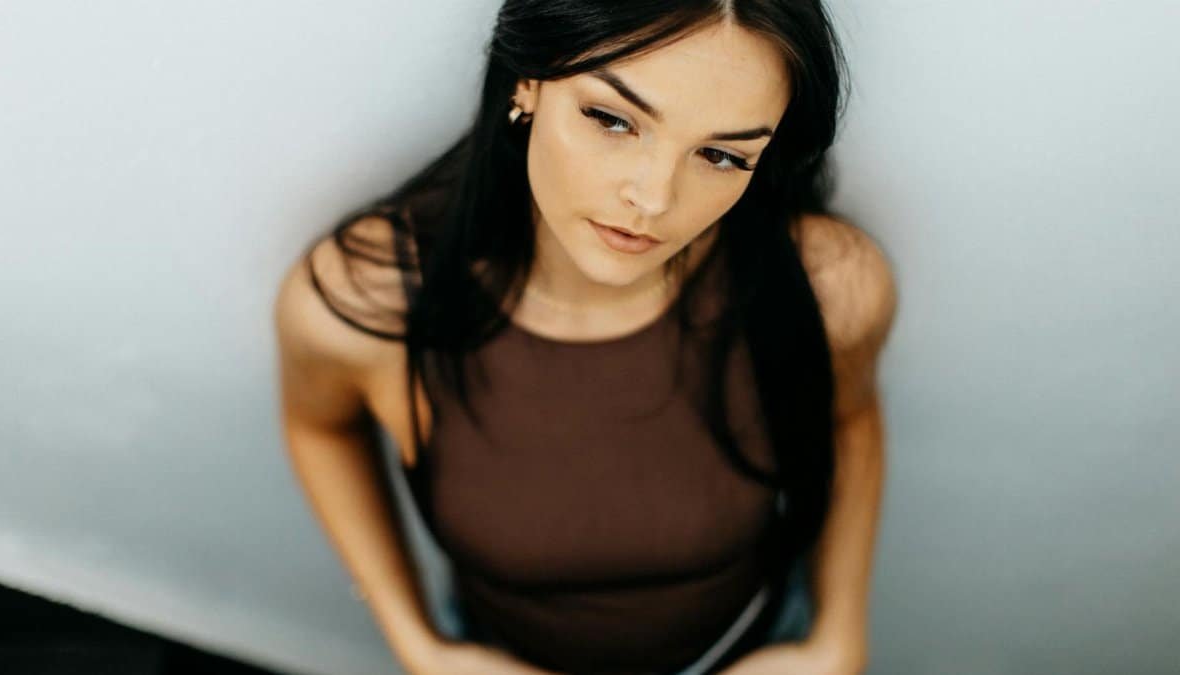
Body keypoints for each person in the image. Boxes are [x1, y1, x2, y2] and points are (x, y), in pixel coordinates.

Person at [273, 1, 897, 673]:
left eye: (721, 155)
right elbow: (320, 426)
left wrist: (837, 637)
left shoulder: (828, 286)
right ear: (528, 81)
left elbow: (851, 417)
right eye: (612, 119)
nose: (654, 198)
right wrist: (421, 645)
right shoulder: (371, 300)